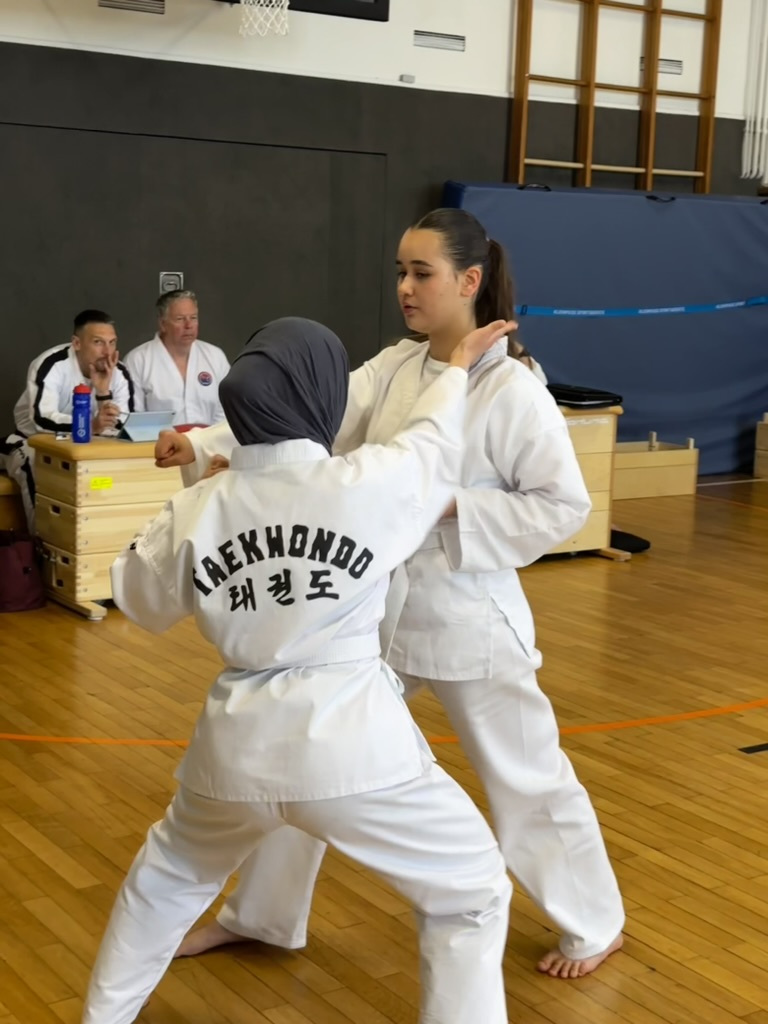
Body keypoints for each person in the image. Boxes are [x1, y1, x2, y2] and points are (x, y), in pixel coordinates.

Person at [155, 208, 626, 981]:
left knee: (524, 775)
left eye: (421, 273)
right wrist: (204, 442)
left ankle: (595, 922)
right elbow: (303, 416)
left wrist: (447, 507)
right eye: (400, 272)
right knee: (308, 758)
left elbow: (561, 506)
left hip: (469, 615)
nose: (405, 287)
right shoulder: (396, 367)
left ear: (469, 281)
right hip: (377, 610)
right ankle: (263, 917)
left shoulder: (512, 387)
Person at [80, 316, 514, 1024]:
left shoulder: (200, 504)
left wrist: (203, 508)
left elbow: (138, 598)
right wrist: (457, 365)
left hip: (233, 754)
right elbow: (432, 438)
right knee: (471, 891)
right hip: (356, 749)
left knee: (165, 883)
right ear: (321, 397)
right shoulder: (370, 482)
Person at [0, 309, 134, 530]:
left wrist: (103, 393)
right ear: (77, 343)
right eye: (98, 342)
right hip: (31, 441)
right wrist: (90, 425)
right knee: (35, 464)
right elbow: (42, 419)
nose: (107, 351)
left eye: (112, 343)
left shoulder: (119, 372)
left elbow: (123, 424)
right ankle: (42, 540)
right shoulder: (51, 363)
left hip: (88, 446)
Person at [125, 289, 229, 426]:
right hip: (156, 439)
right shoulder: (138, 360)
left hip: (208, 438)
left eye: (193, 318)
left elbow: (226, 410)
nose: (188, 325)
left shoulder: (215, 356)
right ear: (163, 324)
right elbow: (134, 419)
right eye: (180, 319)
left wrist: (210, 437)